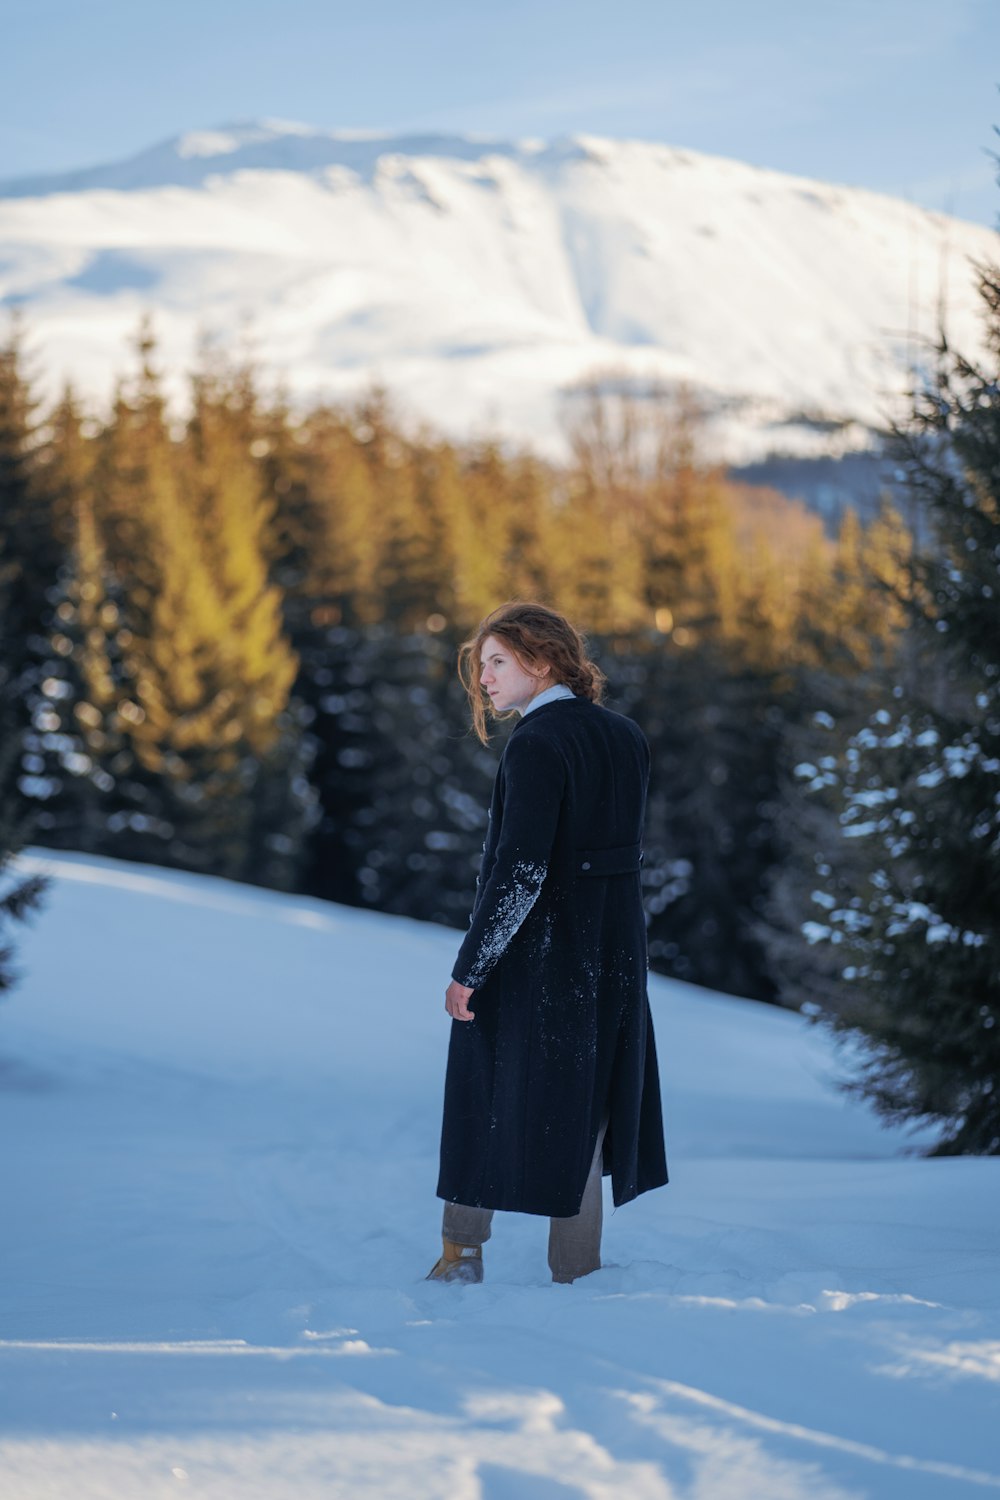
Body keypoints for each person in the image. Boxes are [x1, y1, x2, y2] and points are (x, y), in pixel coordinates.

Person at [427, 601, 668, 1286]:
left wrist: (470, 969)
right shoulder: (624, 736)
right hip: (613, 954)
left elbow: (522, 869)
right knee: (586, 1102)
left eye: (497, 662)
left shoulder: (536, 743)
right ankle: (577, 1270)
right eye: (480, 667)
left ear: (542, 659)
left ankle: (460, 1256)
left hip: (536, 956)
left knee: (484, 1092)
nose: (485, 680)